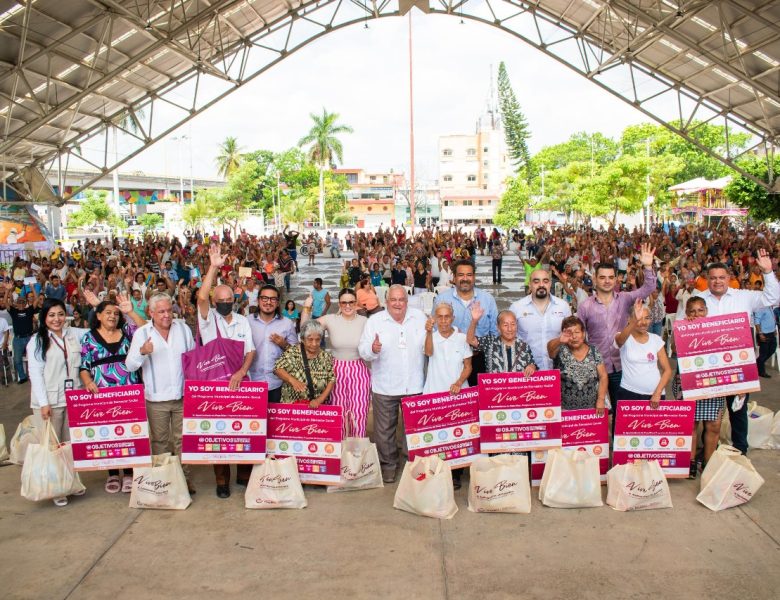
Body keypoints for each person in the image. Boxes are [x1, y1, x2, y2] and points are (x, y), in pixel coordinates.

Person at [694, 251, 779, 454]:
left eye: (722, 277)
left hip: (737, 364)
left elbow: (773, 297)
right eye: (713, 278)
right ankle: (706, 451)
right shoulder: (697, 299)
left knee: (738, 409)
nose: (717, 282)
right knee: (708, 411)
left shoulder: (744, 296)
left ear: (729, 278)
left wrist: (768, 271)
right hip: (708, 365)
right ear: (707, 279)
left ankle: (740, 449)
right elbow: (683, 326)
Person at [197, 244, 257, 498]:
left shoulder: (243, 320)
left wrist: (242, 371)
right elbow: (200, 297)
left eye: (228, 300)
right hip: (215, 386)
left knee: (244, 429)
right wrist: (213, 266)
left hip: (241, 383)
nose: (224, 304)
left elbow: (250, 350)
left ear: (235, 301)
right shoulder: (208, 319)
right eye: (220, 301)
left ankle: (244, 476)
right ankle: (222, 480)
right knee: (218, 433)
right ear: (213, 302)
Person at [126, 292, 196, 494]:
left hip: (182, 396)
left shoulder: (182, 329)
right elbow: (130, 366)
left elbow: (192, 359)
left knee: (183, 439)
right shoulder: (142, 334)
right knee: (160, 441)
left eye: (169, 311)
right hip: (156, 399)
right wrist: (142, 352)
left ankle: (184, 479)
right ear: (151, 312)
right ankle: (164, 479)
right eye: (161, 311)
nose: (166, 315)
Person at [358, 285, 427, 483]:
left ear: (407, 301)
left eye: (401, 299)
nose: (398, 303)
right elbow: (363, 350)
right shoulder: (375, 321)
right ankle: (388, 465)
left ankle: (410, 465)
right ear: (386, 302)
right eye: (393, 300)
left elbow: (428, 345)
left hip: (414, 384)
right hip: (385, 385)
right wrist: (373, 348)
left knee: (412, 430)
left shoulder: (419, 317)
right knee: (384, 430)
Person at [79, 294, 147, 494]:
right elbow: (84, 366)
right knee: (107, 433)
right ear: (98, 315)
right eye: (108, 312)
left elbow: (144, 329)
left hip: (128, 389)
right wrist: (88, 381)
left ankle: (128, 473)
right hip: (102, 391)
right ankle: (111, 474)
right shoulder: (88, 337)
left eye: (116, 314)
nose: (112, 316)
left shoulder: (126, 331)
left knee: (128, 431)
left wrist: (129, 311)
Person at [577, 244, 657, 412]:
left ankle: (617, 439)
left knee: (621, 411)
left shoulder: (625, 298)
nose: (607, 281)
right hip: (596, 368)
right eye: (602, 277)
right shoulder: (585, 306)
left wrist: (648, 267)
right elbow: (581, 337)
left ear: (615, 280)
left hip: (622, 366)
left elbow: (649, 288)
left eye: (611, 277)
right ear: (595, 279)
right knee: (598, 413)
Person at [27, 298, 89, 506]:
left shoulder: (74, 334)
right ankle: (57, 488)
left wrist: (95, 303)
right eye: (52, 315)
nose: (57, 319)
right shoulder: (37, 341)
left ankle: (72, 482)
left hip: (71, 398)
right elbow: (35, 375)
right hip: (49, 402)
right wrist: (44, 403)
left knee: (69, 445)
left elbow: (98, 328)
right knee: (53, 447)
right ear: (44, 317)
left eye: (60, 314)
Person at [302, 288, 370, 437]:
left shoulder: (365, 322)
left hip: (358, 369)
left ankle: (357, 453)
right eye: (344, 302)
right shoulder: (330, 319)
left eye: (351, 302)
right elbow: (305, 329)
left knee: (359, 412)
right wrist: (307, 307)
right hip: (336, 370)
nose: (347, 305)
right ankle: (339, 452)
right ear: (339, 304)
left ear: (356, 303)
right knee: (338, 412)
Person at [671, 297, 725, 478]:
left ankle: (709, 463)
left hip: (713, 383)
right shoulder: (681, 328)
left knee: (714, 425)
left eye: (700, 310)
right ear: (686, 313)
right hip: (689, 383)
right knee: (690, 425)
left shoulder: (717, 329)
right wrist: (684, 329)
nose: (696, 314)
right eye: (692, 311)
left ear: (706, 311)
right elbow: (674, 349)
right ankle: (691, 463)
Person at [434, 260, 498, 386]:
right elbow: (436, 331)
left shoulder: (487, 300)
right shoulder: (441, 299)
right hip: (450, 360)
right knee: (453, 400)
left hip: (479, 359)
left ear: (474, 277)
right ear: (454, 277)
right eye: (461, 275)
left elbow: (495, 333)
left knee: (479, 400)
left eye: (469, 275)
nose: (465, 279)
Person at [614, 299, 672, 409]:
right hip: (629, 393)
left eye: (647, 318)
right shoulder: (623, 337)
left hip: (655, 395)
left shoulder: (656, 339)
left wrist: (657, 393)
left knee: (654, 426)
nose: (643, 322)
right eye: (639, 319)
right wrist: (634, 320)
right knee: (628, 426)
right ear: (629, 320)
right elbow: (620, 341)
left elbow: (668, 370)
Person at [509, 269, 571, 371]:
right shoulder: (517, 308)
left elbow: (570, 337)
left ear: (550, 284)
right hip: (526, 371)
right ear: (529, 284)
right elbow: (509, 340)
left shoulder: (563, 306)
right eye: (536, 281)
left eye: (545, 281)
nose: (541, 285)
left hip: (558, 370)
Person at [547, 316, 607, 414]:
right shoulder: (560, 350)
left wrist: (600, 399)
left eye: (577, 332)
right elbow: (550, 350)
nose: (574, 336)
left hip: (592, 409)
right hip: (565, 410)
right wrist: (559, 340)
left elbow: (603, 376)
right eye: (569, 333)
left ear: (583, 334)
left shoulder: (593, 350)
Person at [249, 285, 298, 404]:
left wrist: (284, 344)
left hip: (277, 383)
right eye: (264, 298)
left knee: (275, 421)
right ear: (258, 300)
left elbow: (296, 354)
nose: (268, 302)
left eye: (273, 299)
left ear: (277, 303)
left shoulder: (287, 323)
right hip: (251, 382)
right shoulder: (246, 322)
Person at [274, 320, 335, 406]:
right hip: (292, 406)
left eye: (317, 340)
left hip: (317, 407)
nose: (314, 344)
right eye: (310, 340)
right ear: (302, 339)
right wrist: (292, 381)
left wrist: (319, 400)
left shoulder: (325, 356)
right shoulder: (292, 352)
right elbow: (277, 369)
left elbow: (331, 379)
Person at [466, 304, 537, 376]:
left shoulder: (524, 345)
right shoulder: (490, 342)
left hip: (518, 386)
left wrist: (532, 367)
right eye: (505, 325)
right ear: (498, 328)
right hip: (494, 386)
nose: (510, 329)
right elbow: (471, 341)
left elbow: (532, 364)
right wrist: (474, 321)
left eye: (513, 324)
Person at [423, 303, 472, 395]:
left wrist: (459, 383)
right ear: (435, 319)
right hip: (434, 391)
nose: (443, 321)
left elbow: (468, 367)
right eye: (439, 317)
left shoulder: (462, 338)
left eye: (447, 317)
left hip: (459, 391)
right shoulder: (429, 337)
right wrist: (429, 332)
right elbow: (428, 353)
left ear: (453, 318)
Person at [752, 280, 777, 379]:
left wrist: (774, 328)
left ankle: (758, 363)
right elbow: (757, 321)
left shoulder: (769, 306)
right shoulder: (760, 307)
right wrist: (760, 333)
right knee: (763, 353)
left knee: (772, 349)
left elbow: (771, 318)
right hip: (764, 334)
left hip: (771, 332)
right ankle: (761, 371)